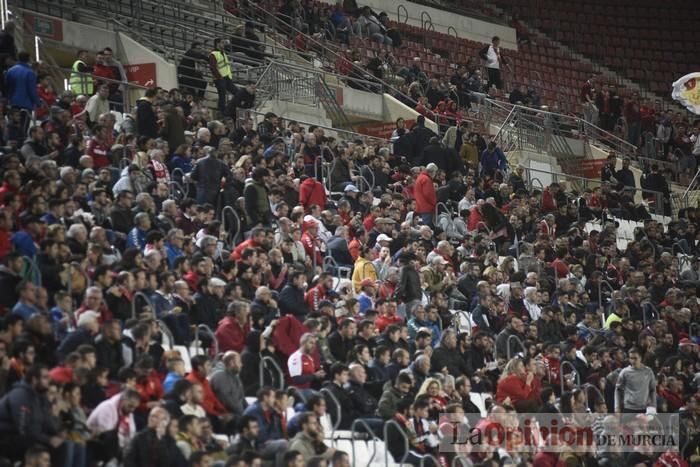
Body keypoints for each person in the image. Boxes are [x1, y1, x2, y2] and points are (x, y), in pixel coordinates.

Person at [614, 347, 656, 413]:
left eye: (635, 358)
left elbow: (653, 389)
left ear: (640, 358)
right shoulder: (624, 372)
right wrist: (617, 406)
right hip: (629, 408)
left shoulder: (648, 371)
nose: (633, 361)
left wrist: (653, 406)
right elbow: (618, 390)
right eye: (631, 358)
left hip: (644, 408)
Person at [5, 51, 38, 132]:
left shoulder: (10, 71)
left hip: (13, 103)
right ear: (28, 59)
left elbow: (6, 87)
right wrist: (37, 102)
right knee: (23, 129)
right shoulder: (30, 72)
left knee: (12, 127)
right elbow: (32, 90)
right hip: (25, 105)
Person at [208, 38, 236, 115]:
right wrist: (219, 77)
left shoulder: (223, 53)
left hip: (227, 77)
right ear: (217, 43)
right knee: (222, 96)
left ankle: (231, 108)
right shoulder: (213, 54)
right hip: (220, 78)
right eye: (222, 43)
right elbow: (213, 67)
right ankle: (223, 112)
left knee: (236, 92)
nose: (224, 44)